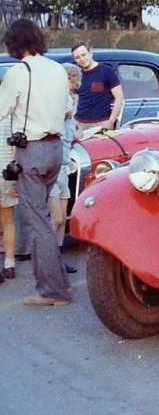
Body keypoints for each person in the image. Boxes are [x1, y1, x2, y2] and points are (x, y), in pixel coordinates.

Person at [0, 19, 72, 305]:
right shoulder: (57, 69)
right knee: (44, 217)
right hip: (55, 149)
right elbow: (68, 108)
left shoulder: (20, 72)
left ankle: (51, 291)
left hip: (33, 150)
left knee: (37, 221)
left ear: (15, 44)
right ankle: (61, 282)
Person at [48, 63, 80, 274]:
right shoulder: (57, 102)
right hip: (55, 163)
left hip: (65, 163)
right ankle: (48, 257)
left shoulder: (69, 101)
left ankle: (57, 256)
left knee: (62, 217)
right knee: (57, 217)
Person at [71, 41, 123, 133]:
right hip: (80, 125)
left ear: (90, 52)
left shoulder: (106, 71)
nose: (81, 59)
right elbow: (75, 99)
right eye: (77, 57)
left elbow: (119, 97)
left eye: (83, 55)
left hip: (101, 124)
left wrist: (111, 121)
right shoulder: (77, 75)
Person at [0, 112, 17, 281]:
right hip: (6, 174)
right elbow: (15, 148)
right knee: (8, 222)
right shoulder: (10, 116)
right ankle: (9, 264)